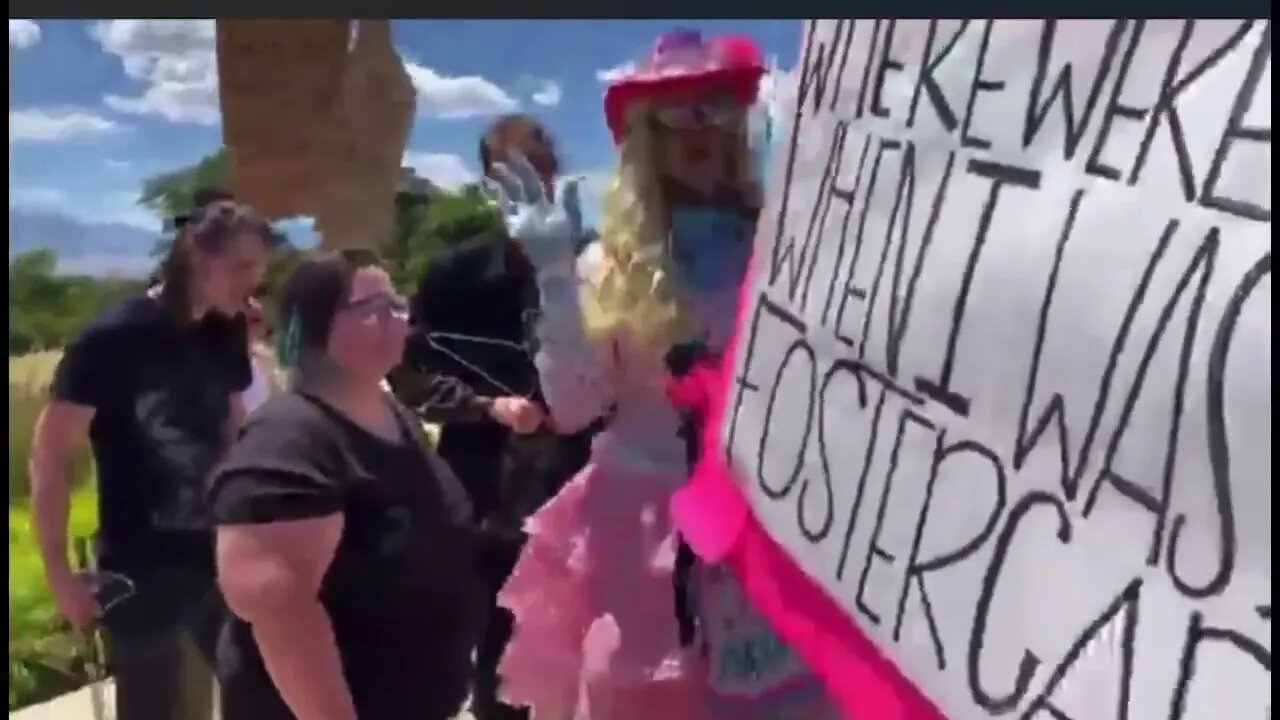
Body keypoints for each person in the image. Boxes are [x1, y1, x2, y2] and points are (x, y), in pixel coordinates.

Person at [487, 29, 839, 719]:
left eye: (717, 104)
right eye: (678, 111)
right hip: (649, 535)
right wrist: (557, 278)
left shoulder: (782, 246)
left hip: (773, 520)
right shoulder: (607, 268)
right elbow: (574, 405)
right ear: (647, 135)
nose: (701, 125)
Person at [387, 113, 601, 720]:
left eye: (542, 170)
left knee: (586, 663)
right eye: (514, 177)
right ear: (488, 186)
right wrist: (487, 408)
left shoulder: (597, 268)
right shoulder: (453, 276)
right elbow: (408, 375)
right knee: (500, 669)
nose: (533, 186)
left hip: (581, 497)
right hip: (489, 506)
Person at [210, 251, 482, 720]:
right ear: (318, 324)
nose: (399, 318)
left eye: (398, 304)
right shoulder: (288, 438)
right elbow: (279, 611)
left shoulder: (392, 414)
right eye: (375, 307)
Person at [29, 199, 271, 720]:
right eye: (242, 267)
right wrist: (59, 576)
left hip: (216, 552)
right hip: (140, 565)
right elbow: (50, 457)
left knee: (259, 694)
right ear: (199, 260)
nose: (253, 283)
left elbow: (233, 431)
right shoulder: (113, 338)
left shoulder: (225, 331)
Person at [241, 295, 283, 415]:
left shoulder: (272, 364)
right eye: (244, 298)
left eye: (255, 295)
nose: (252, 303)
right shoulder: (212, 363)